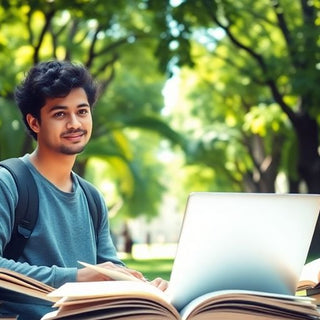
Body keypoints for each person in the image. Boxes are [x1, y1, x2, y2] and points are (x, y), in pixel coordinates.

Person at [0, 60, 168, 319]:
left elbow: (109, 270)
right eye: (59, 114)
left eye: (82, 111)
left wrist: (147, 289)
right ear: (35, 123)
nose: (74, 124)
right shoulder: (9, 183)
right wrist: (75, 277)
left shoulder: (92, 198)